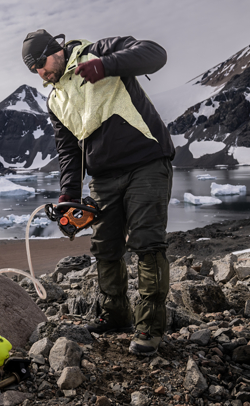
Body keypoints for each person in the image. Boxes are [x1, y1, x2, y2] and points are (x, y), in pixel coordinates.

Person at [21, 29, 175, 356]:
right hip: (104, 177)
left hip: (146, 162)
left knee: (147, 243)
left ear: (55, 50)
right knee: (105, 247)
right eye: (34, 69)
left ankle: (149, 327)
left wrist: (106, 65)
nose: (40, 73)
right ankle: (115, 315)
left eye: (41, 63)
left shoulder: (98, 52)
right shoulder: (55, 100)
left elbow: (155, 53)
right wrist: (68, 196)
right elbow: (68, 152)